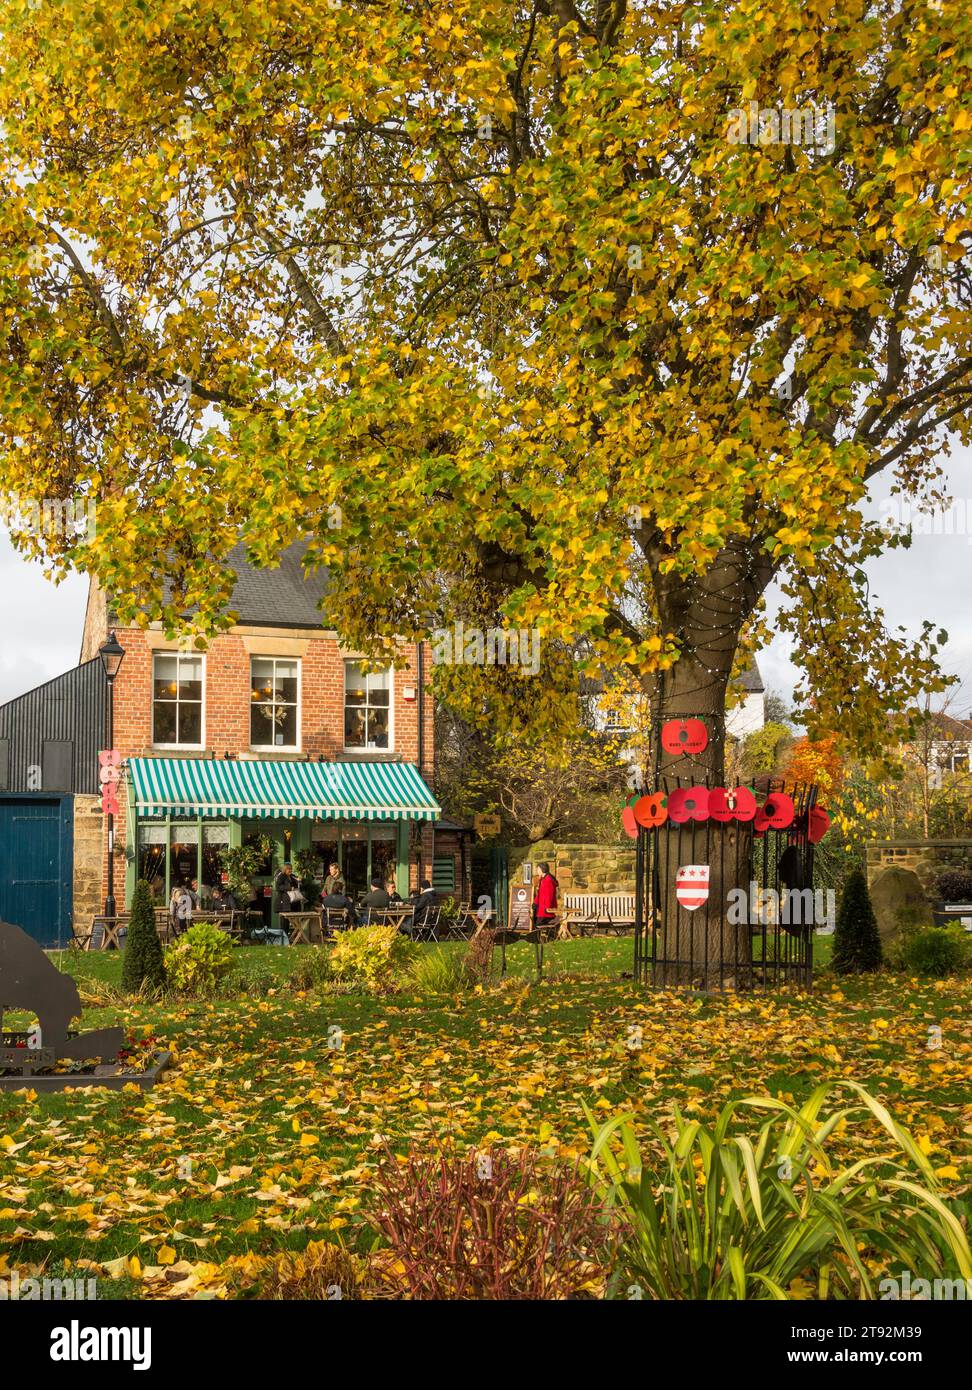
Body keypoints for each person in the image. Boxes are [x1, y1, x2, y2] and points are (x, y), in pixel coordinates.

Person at [533, 861, 559, 927]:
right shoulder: (543, 879)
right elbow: (540, 894)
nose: (537, 871)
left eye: (538, 869)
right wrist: (535, 903)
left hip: (545, 910)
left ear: (542, 869)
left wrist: (547, 908)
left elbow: (549, 896)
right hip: (541, 908)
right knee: (536, 923)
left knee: (538, 925)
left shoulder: (548, 880)